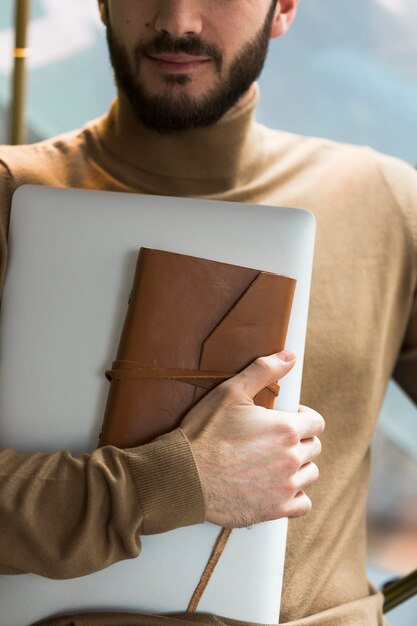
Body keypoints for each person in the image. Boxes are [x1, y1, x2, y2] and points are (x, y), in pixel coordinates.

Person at [0, 1, 415, 625]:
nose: (180, 22)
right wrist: (174, 481)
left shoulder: (387, 201)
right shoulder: (11, 194)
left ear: (283, 10)